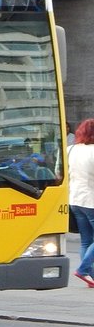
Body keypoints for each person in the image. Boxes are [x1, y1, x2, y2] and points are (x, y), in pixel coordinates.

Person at [69, 118, 94, 287]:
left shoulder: (70, 149)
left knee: (86, 240)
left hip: (74, 199)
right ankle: (83, 270)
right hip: (91, 200)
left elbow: (60, 173)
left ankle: (90, 277)